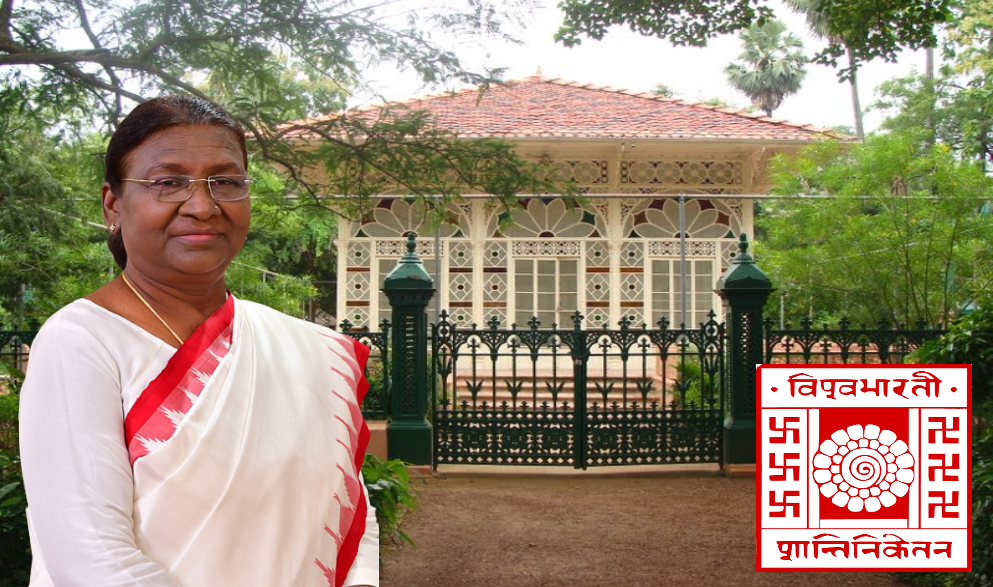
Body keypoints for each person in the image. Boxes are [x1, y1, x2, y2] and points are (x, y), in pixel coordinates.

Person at [18, 95, 378, 587]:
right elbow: (93, 560)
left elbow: (349, 512)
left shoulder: (306, 349)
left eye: (226, 182)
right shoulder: (81, 341)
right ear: (113, 205)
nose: (203, 206)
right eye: (168, 183)